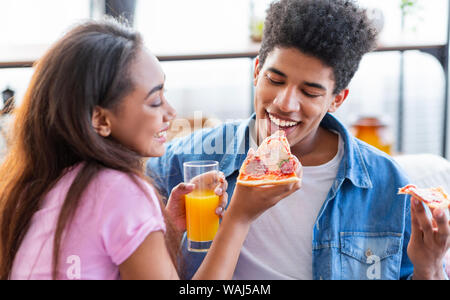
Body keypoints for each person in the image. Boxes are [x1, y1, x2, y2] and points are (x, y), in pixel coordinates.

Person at [148, 0, 449, 280]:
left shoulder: (386, 184)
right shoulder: (189, 160)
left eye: (310, 92)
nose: (285, 103)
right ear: (256, 71)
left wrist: (430, 267)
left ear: (337, 99)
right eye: (275, 80)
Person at [0, 18, 301, 280]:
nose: (170, 112)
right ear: (101, 119)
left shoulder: (35, 186)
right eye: (155, 101)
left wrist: (165, 225)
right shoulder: (121, 190)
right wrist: (239, 218)